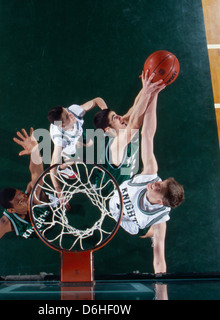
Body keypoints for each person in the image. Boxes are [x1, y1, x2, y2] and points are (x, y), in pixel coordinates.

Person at [107, 73, 185, 274]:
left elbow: (159, 262)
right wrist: (153, 94)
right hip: (118, 196)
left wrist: (162, 292)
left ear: (160, 202)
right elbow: (148, 133)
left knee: (148, 233)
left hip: (134, 224)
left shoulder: (158, 219)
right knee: (135, 135)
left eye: (159, 188)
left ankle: (150, 235)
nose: (155, 183)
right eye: (161, 181)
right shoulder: (151, 174)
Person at [0, 128, 51, 276]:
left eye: (22, 195)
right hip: (43, 236)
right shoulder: (5, 223)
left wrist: (34, 151)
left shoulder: (32, 195)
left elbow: (36, 172)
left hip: (55, 215)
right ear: (12, 210)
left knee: (36, 185)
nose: (25, 199)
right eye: (19, 202)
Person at [93, 70, 165, 185]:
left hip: (126, 182)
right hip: (114, 194)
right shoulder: (115, 145)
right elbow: (135, 124)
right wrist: (148, 92)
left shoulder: (119, 128)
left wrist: (148, 85)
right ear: (108, 129)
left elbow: (134, 108)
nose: (120, 117)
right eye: (114, 118)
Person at [47, 98, 108, 195]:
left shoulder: (74, 111)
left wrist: (106, 113)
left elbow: (97, 100)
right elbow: (52, 168)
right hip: (69, 142)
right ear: (62, 125)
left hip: (77, 133)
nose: (70, 114)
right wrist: (58, 190)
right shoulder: (60, 140)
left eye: (67, 111)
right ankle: (62, 168)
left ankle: (76, 150)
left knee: (90, 143)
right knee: (75, 158)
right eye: (67, 116)